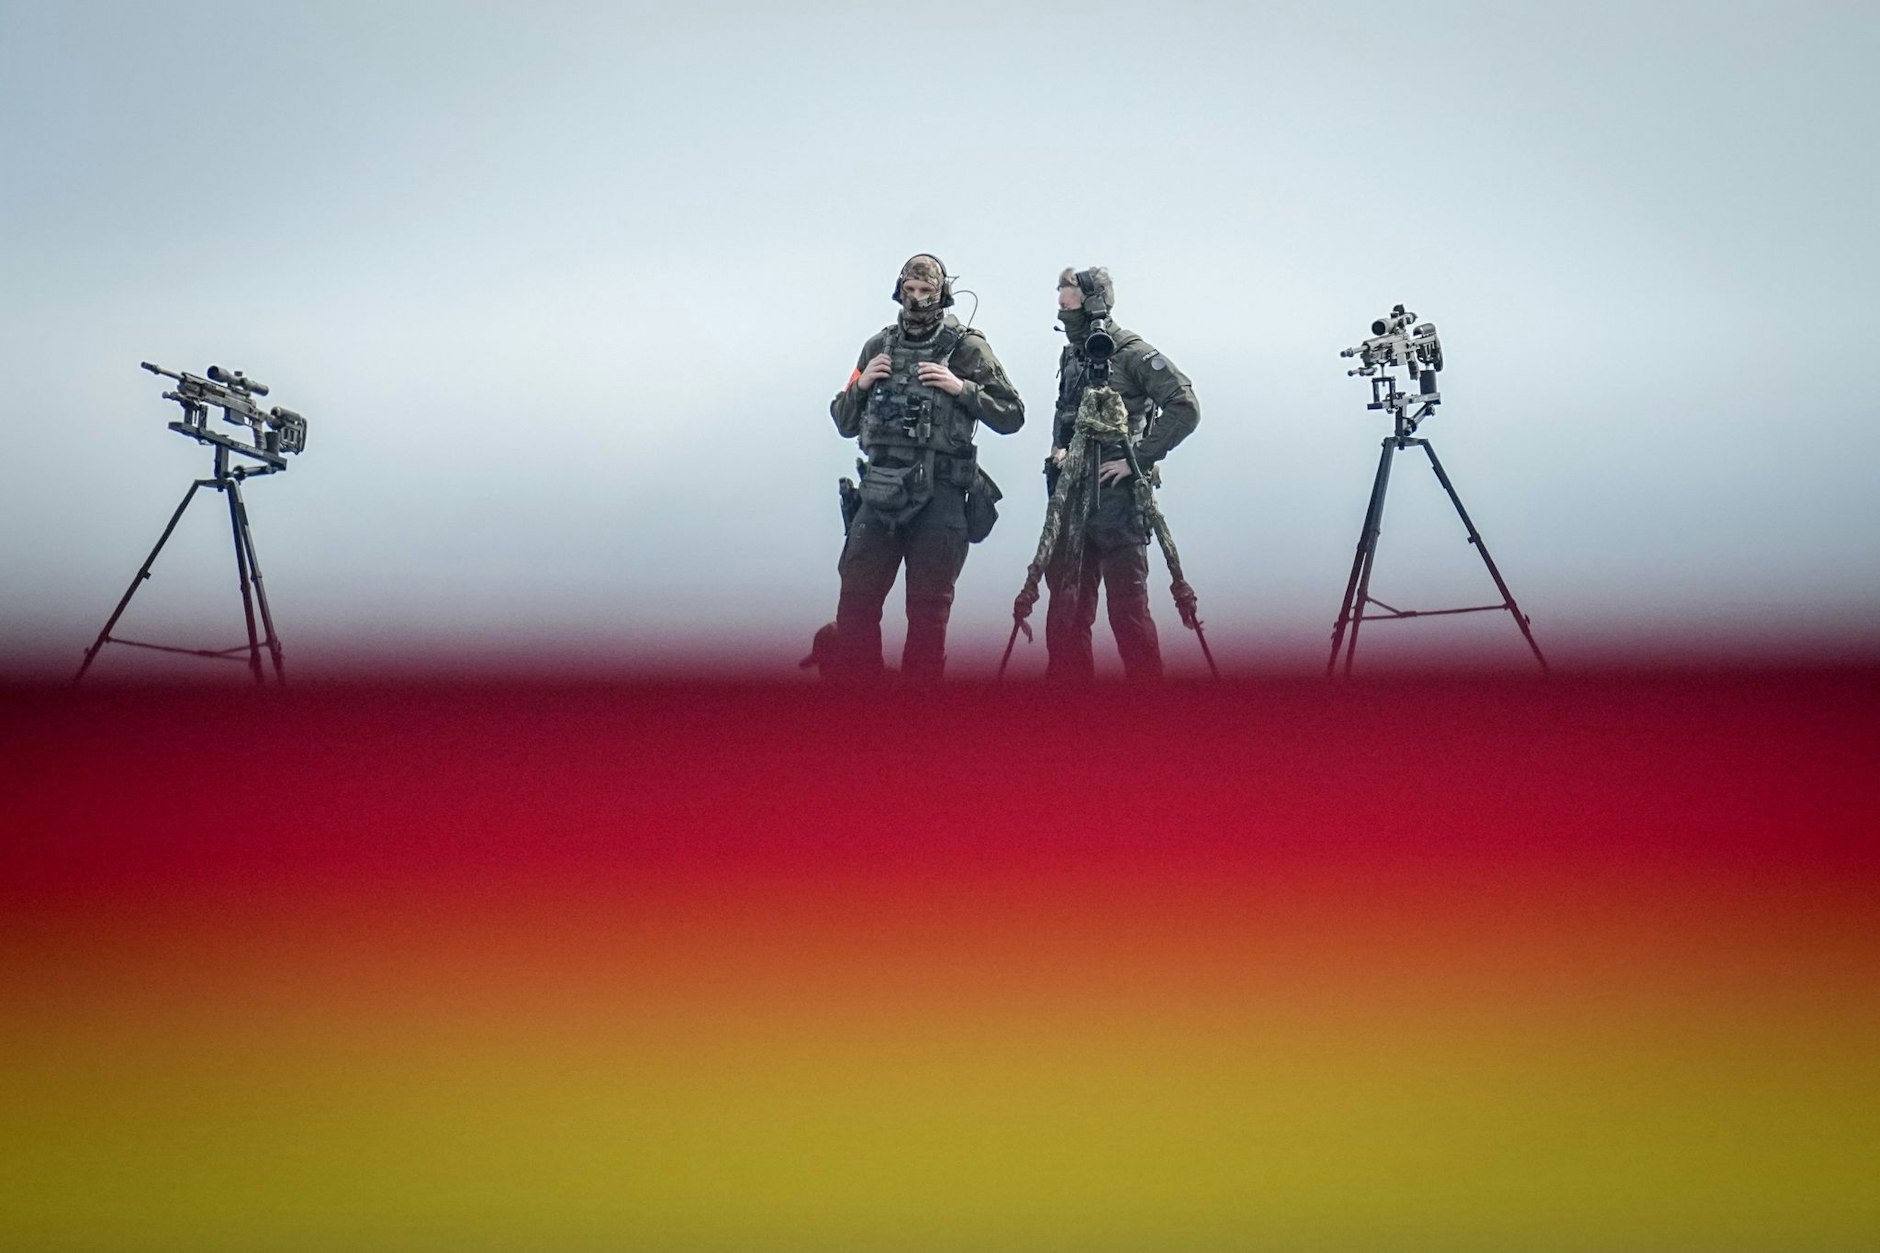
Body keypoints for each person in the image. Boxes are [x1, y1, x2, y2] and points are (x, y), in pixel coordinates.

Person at [826, 254, 1024, 679]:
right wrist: (861, 385)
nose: (916, 301)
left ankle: (921, 720)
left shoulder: (967, 347)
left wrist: (962, 387)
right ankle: (865, 709)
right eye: (910, 292)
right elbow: (843, 421)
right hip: (879, 491)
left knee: (927, 612)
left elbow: (1011, 414)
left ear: (941, 295)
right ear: (899, 291)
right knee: (856, 599)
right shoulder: (877, 346)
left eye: (926, 293)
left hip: (940, 493)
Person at [1044, 266, 1199, 681]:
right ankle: (1071, 723)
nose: (1062, 314)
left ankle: (1147, 720)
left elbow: (1185, 408)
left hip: (1118, 503)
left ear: (1094, 304)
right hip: (1070, 498)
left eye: (1068, 305)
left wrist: (1138, 459)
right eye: (1059, 306)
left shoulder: (1131, 352)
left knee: (1128, 615)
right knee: (1065, 617)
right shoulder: (1073, 356)